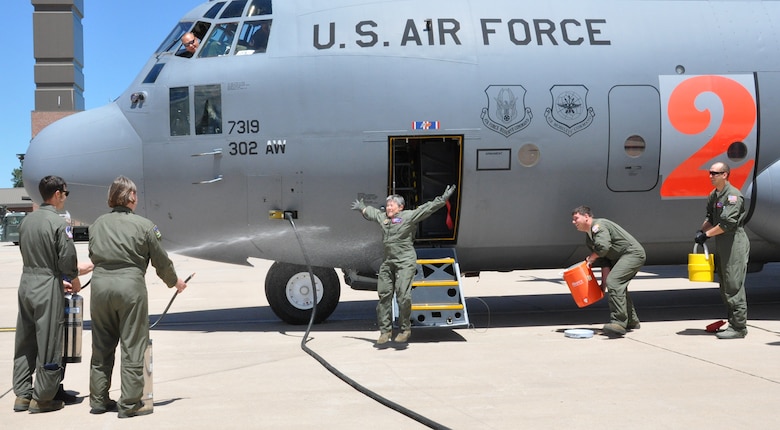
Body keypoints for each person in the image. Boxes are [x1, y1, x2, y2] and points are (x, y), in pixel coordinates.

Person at [88, 176, 188, 418]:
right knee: (133, 344)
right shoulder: (144, 225)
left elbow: (92, 255)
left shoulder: (97, 224)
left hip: (100, 288)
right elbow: (161, 261)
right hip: (130, 288)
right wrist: (175, 282)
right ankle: (130, 403)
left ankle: (99, 400)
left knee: (101, 345)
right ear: (131, 197)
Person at [13, 175, 93, 413]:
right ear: (57, 194)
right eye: (65, 193)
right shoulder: (59, 224)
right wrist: (73, 279)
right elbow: (67, 260)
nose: (66, 198)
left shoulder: (26, 222)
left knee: (25, 341)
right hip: (47, 287)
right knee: (49, 341)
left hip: (26, 283)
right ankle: (44, 398)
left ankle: (22, 395)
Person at [351, 185, 456, 345]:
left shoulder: (408, 216)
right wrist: (362, 208)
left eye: (391, 205)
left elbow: (427, 209)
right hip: (388, 262)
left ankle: (405, 328)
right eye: (387, 205)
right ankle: (385, 331)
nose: (388, 208)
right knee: (384, 295)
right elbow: (372, 213)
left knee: (403, 295)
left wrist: (442, 199)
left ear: (400, 207)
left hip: (405, 261)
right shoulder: (383, 218)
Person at [571, 206, 645, 337]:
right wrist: (603, 285)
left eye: (576, 218)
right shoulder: (589, 238)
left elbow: (603, 248)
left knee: (615, 282)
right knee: (616, 285)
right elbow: (605, 262)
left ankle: (619, 323)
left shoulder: (598, 226)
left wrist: (590, 259)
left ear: (586, 216)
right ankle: (631, 321)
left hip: (632, 254)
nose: (573, 222)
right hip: (622, 257)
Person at [695, 162, 750, 339]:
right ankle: (732, 322)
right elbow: (711, 217)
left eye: (715, 173)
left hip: (734, 242)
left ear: (725, 175)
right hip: (722, 242)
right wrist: (701, 231)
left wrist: (707, 235)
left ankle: (739, 327)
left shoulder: (733, 196)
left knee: (733, 284)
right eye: (710, 173)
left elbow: (727, 223)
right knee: (725, 284)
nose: (711, 176)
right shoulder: (714, 195)